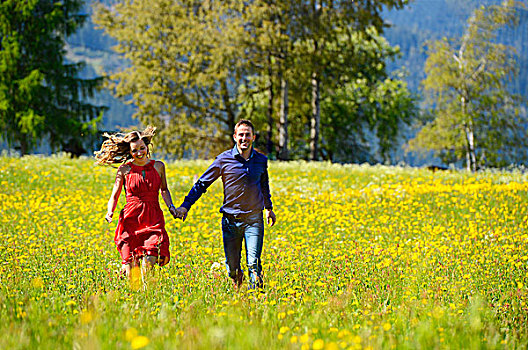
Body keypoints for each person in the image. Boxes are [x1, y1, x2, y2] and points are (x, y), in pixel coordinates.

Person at [175, 119, 276, 289]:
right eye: (241, 135)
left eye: (248, 135)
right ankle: (240, 286)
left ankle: (256, 300)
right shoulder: (224, 159)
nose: (244, 138)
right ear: (235, 137)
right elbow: (202, 183)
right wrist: (186, 205)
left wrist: (269, 208)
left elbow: (264, 185)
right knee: (232, 269)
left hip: (254, 219)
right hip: (230, 221)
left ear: (253, 137)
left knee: (253, 263)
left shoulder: (261, 160)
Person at [95, 126, 178, 276]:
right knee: (132, 269)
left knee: (150, 258)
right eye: (134, 150)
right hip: (131, 219)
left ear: (147, 146)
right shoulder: (124, 170)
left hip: (153, 217)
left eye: (142, 148)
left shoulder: (159, 166)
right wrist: (110, 212)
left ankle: (148, 295)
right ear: (129, 152)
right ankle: (127, 280)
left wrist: (171, 206)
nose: (139, 153)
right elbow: (115, 195)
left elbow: (164, 190)